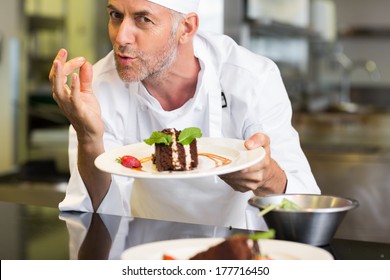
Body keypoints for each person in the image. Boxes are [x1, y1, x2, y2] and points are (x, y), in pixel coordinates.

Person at [49, 0, 320, 230]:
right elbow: (94, 218)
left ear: (186, 28)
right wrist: (88, 139)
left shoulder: (251, 78)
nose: (121, 37)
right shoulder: (95, 87)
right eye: (115, 16)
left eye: (143, 19)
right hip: (142, 255)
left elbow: (307, 204)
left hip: (239, 253)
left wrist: (268, 177)